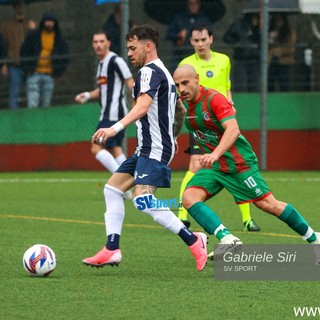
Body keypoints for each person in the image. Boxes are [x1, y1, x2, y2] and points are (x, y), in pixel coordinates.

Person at [82, 24, 208, 272]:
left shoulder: (149, 72)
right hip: (149, 147)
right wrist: (173, 136)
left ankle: (194, 240)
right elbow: (179, 110)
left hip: (155, 148)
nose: (129, 53)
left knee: (143, 200)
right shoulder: (165, 72)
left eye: (132, 47)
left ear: (147, 46)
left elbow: (141, 107)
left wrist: (113, 129)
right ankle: (111, 249)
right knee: (112, 189)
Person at [173, 64, 320, 260]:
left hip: (238, 163)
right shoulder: (182, 103)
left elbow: (233, 129)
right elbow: (176, 120)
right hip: (216, 167)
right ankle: (227, 239)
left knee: (269, 204)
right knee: (189, 198)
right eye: (177, 85)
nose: (181, 89)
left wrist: (215, 154)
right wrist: (173, 137)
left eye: (185, 83)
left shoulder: (214, 99)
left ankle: (314, 238)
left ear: (197, 79)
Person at [177, 24, 260, 232]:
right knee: (195, 164)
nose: (200, 44)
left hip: (223, 120)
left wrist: (230, 104)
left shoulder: (224, 60)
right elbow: (182, 98)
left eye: (203, 39)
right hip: (201, 123)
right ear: (191, 42)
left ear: (211, 39)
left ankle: (247, 219)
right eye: (196, 40)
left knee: (236, 165)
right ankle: (181, 214)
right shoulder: (186, 64)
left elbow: (227, 88)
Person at [75, 30, 134, 200]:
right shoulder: (101, 65)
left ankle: (123, 182)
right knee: (115, 149)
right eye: (95, 42)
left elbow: (130, 82)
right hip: (106, 113)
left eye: (102, 41)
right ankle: (128, 185)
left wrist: (137, 106)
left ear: (108, 43)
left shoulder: (116, 60)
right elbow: (102, 91)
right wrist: (86, 95)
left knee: (96, 147)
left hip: (115, 113)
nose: (98, 45)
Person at [20, 11, 69, 108]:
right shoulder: (34, 35)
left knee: (46, 104)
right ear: (43, 22)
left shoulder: (59, 38)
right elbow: (24, 51)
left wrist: (59, 71)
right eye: (47, 21)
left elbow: (65, 55)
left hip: (49, 74)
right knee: (32, 104)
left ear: (55, 23)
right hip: (34, 73)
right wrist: (28, 68)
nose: (49, 24)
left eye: (51, 21)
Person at [0, 0, 36, 109]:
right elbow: (2, 46)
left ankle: (34, 118)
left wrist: (35, 30)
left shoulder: (31, 24)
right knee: (14, 94)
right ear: (14, 7)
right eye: (17, 5)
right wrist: (4, 64)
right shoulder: (6, 25)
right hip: (14, 64)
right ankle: (13, 119)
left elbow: (38, 43)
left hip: (30, 65)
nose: (20, 7)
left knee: (33, 94)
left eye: (22, 5)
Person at [165, 0, 212, 71]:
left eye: (196, 3)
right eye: (191, 4)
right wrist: (178, 36)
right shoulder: (179, 18)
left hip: (199, 56)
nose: (193, 6)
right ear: (187, 5)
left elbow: (210, 33)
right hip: (180, 55)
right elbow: (169, 34)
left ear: (199, 4)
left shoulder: (204, 19)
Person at [223, 13, 261, 92]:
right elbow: (227, 38)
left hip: (255, 59)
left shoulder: (261, 25)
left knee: (255, 86)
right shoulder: (239, 24)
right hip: (241, 58)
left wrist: (258, 28)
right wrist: (238, 45)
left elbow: (262, 41)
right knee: (240, 85)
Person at [268, 13, 297, 92]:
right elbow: (267, 46)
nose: (278, 22)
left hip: (284, 62)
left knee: (284, 84)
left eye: (280, 20)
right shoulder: (270, 32)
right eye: (276, 20)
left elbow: (291, 48)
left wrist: (278, 50)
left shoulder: (289, 32)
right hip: (271, 61)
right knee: (270, 84)